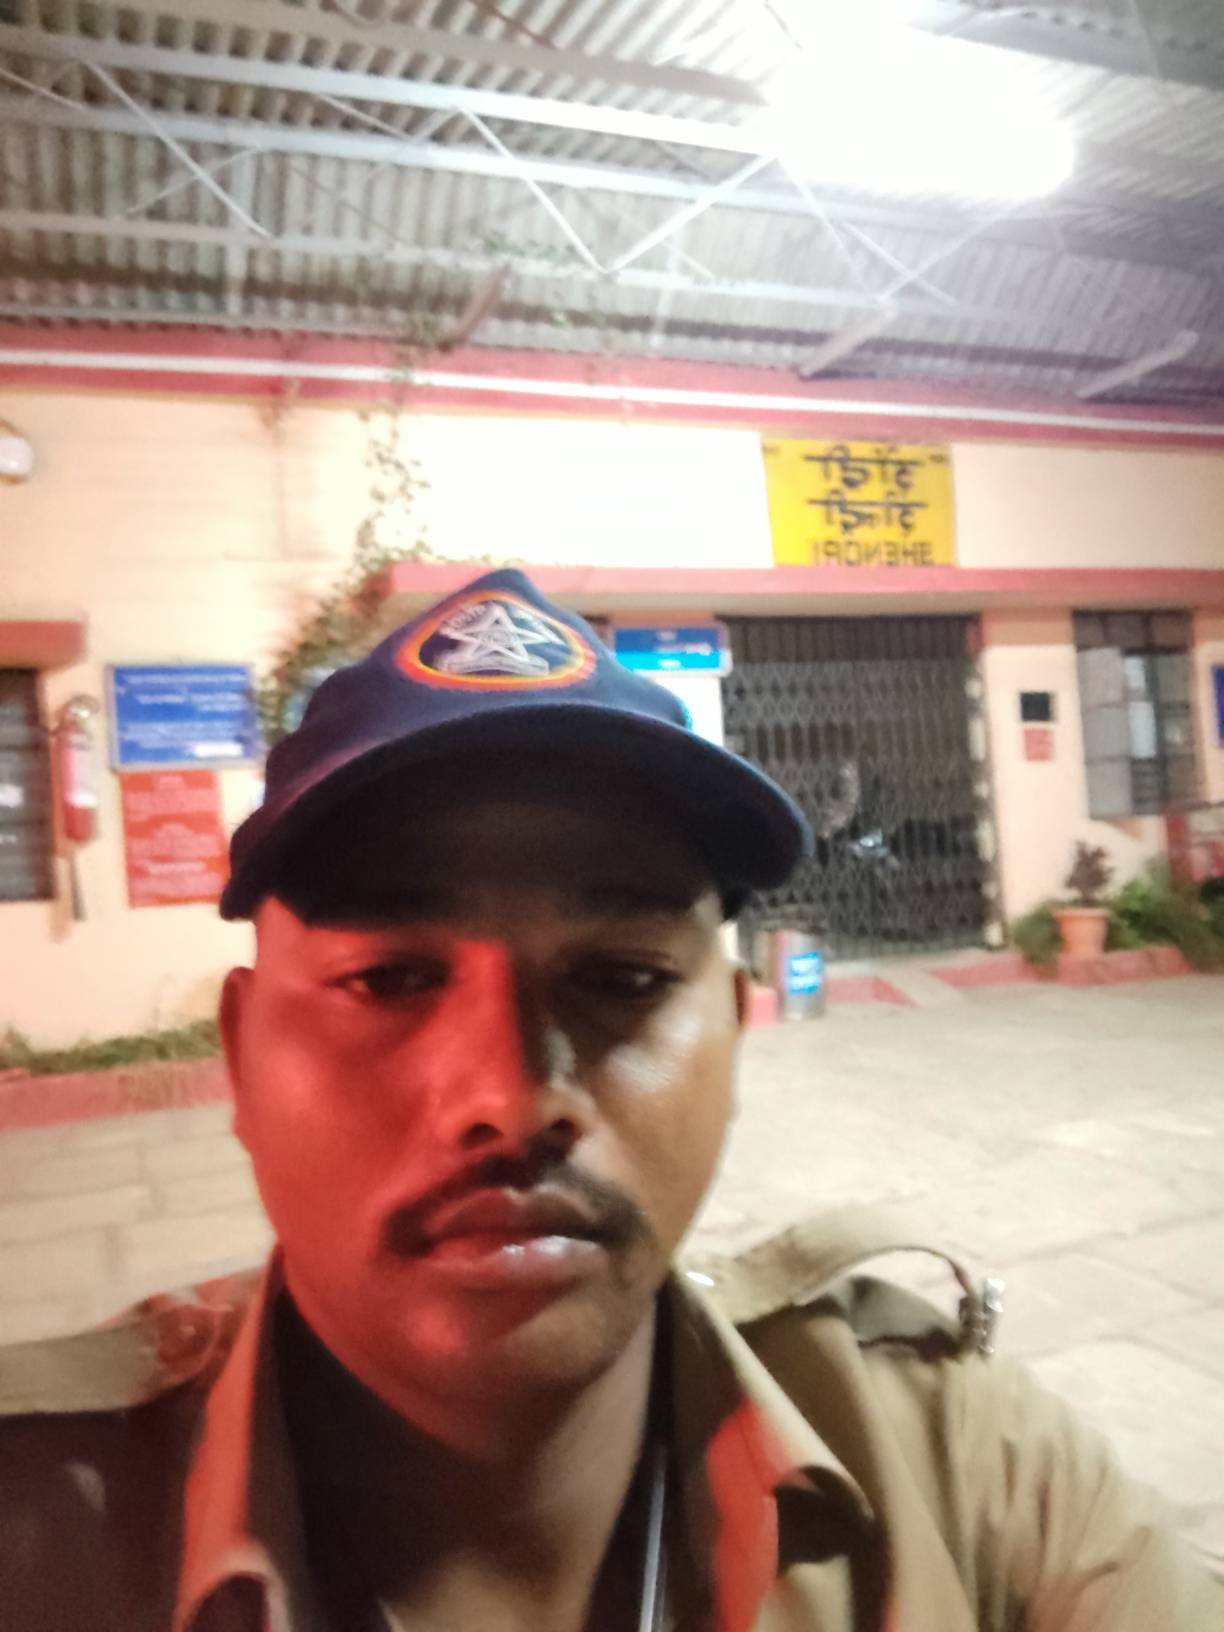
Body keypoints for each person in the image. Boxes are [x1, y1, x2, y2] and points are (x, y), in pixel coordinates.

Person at [1, 568, 1218, 1632]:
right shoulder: (41, 1525)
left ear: (733, 1032)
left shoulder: (956, 1468)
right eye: (389, 979)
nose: (511, 1097)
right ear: (241, 1059)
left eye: (623, 981)